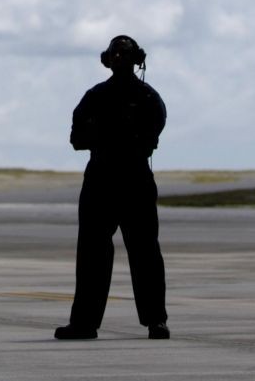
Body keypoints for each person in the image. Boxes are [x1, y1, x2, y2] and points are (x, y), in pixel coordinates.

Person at [55, 34, 169, 341]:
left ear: (135, 60)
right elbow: (77, 138)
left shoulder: (143, 98)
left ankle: (155, 321)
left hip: (126, 178)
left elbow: (151, 134)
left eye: (124, 54)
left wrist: (109, 137)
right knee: (96, 252)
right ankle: (86, 324)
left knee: (143, 252)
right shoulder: (99, 96)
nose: (119, 59)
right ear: (109, 59)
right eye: (115, 55)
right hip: (106, 178)